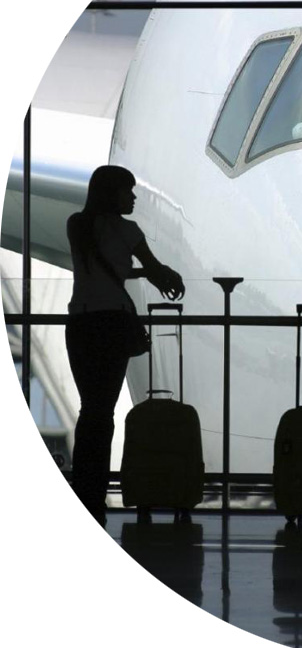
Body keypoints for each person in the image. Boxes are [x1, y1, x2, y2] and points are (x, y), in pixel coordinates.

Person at [65, 165, 185, 526]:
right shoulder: (129, 231)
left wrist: (131, 270)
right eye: (127, 191)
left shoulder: (77, 225)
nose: (132, 197)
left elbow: (99, 265)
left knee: (90, 410)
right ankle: (95, 497)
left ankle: (84, 494)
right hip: (113, 326)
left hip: (81, 323)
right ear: (112, 193)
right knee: (104, 413)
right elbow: (155, 270)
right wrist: (162, 275)